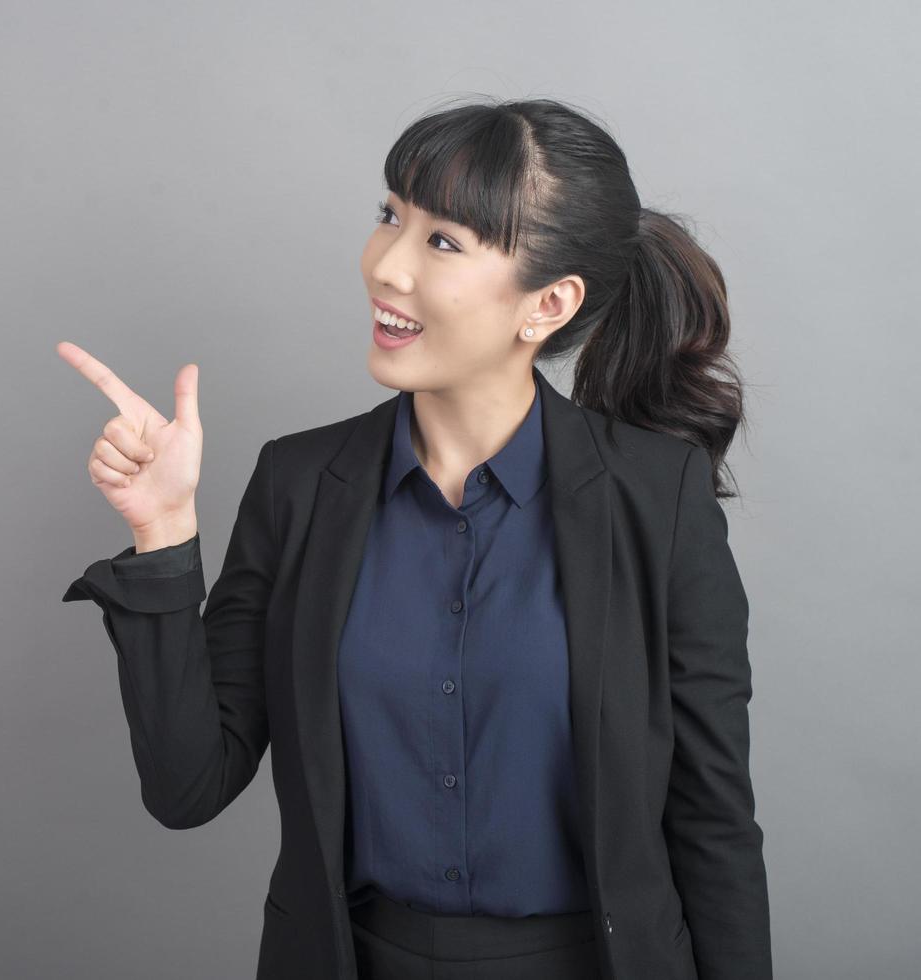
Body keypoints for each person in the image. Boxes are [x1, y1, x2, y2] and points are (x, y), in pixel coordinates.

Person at [56, 96, 771, 980]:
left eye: (443, 241)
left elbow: (712, 821)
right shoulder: (299, 485)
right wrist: (163, 535)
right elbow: (187, 786)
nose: (387, 266)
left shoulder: (656, 498)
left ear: (547, 303)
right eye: (391, 215)